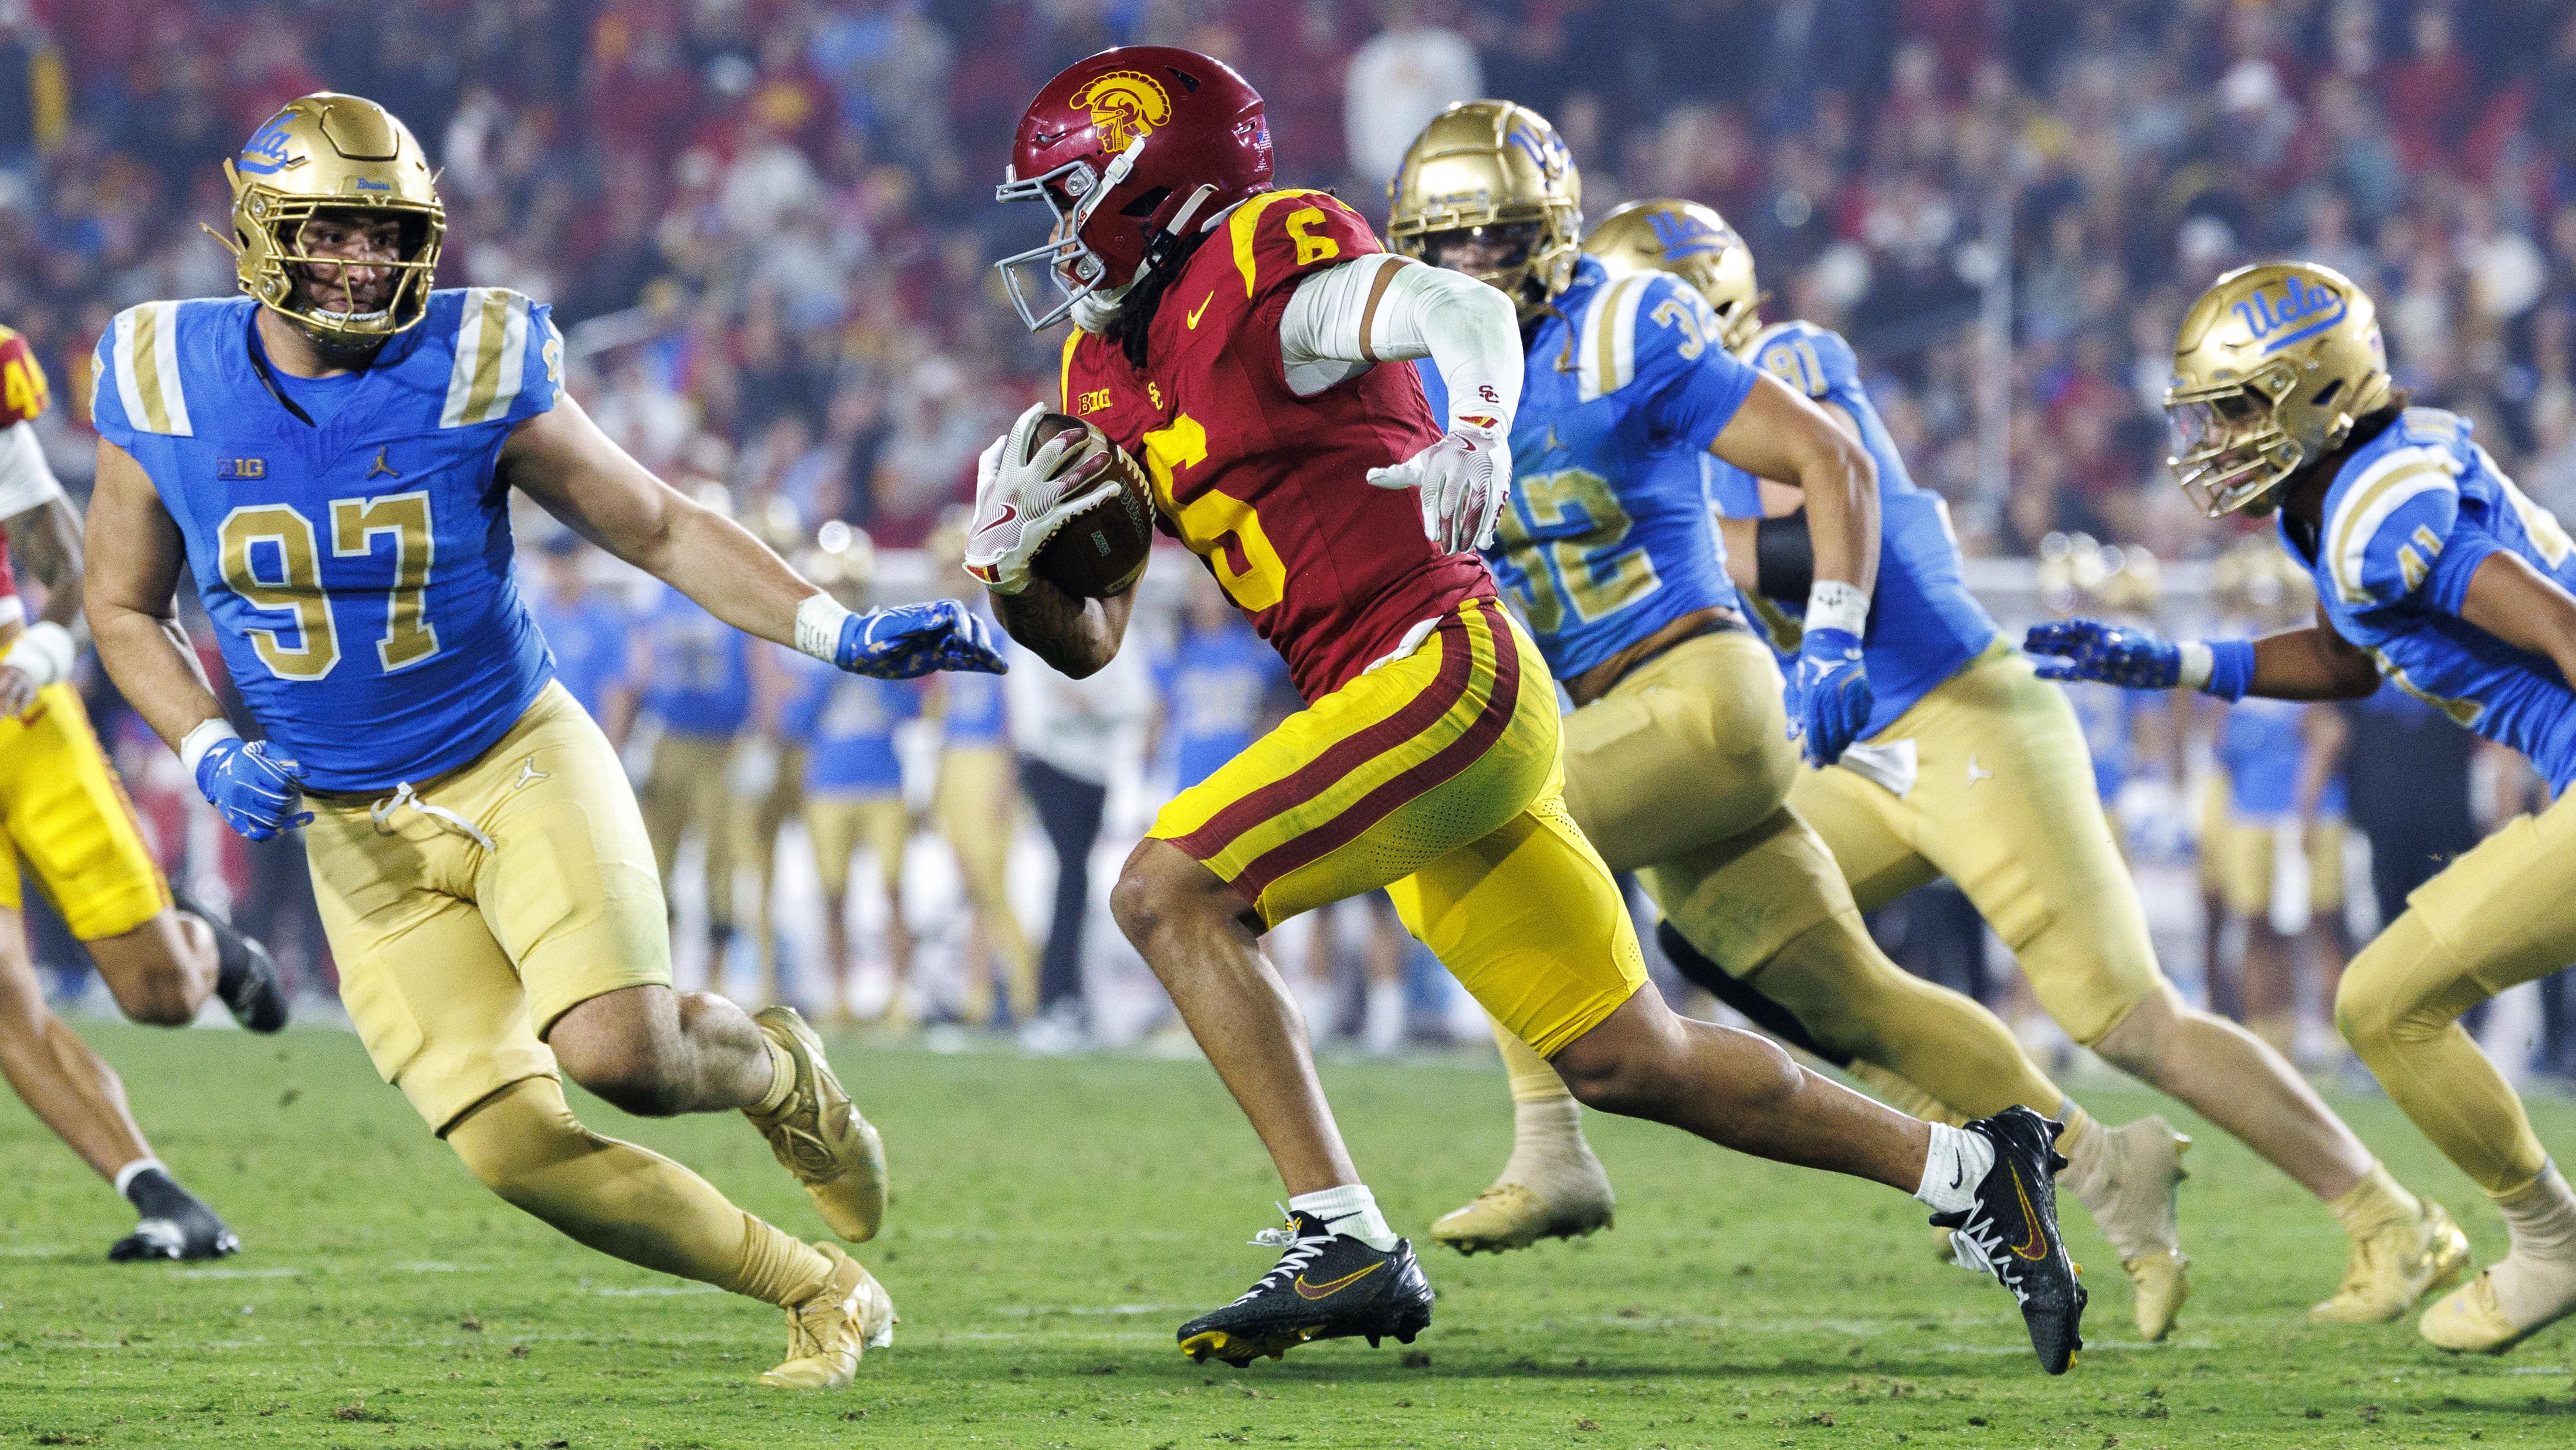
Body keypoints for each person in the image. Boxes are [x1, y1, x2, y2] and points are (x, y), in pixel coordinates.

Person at [977, 53, 2082, 1373]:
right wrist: (1007, 576)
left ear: (1147, 181)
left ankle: (1338, 1233)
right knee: (1630, 1057)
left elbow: (1457, 308)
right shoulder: (1101, 368)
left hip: (1441, 666)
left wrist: (1477, 428)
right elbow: (1089, 643)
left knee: (1165, 889)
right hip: (1385, 711)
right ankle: (1974, 1167)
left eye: (1067, 195)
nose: (1053, 232)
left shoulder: (1266, 260)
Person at [83, 94, 1001, 1388]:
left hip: (511, 757)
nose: (365, 264)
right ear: (258, 234)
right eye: (333, 235)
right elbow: (120, 607)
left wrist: (831, 631)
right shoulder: (162, 374)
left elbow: (660, 524)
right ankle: (815, 1287)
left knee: (621, 1054)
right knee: (508, 1145)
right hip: (350, 829)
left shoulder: (474, 360)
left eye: (388, 236)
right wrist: (200, 742)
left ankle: (775, 1064)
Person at [1507, 209, 2452, 1330]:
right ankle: (2041, 1157)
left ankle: (2392, 1219)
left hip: (1966, 713)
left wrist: (1628, 537)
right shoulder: (1647, 431)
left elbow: (1835, 530)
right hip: (1858, 751)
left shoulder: (1786, 358)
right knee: (1729, 936)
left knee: (2128, 1018)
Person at [1397, 170, 2179, 1335]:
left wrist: (1825, 636)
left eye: (1494, 234)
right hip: (1641, 738)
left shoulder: (1623, 325)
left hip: (1697, 694)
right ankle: (2105, 1168)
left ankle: (1548, 1144)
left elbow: (1832, 461)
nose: (1468, 261)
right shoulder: (1433, 375)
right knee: (1858, 999)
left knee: (1474, 817)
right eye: (1441, 241)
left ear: (1549, 237)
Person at [2029, 259, 2576, 1354]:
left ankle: (2552, 1239)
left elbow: (2561, 629)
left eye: (2236, 407)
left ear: (2315, 392)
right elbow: (2349, 656)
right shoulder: (2340, 495)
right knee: (2383, 1002)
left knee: (2383, 1002)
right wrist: (2177, 661)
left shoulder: (2378, 511)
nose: (2217, 436)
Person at [0, 320, 286, 1262]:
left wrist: (45, 646)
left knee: (159, 992)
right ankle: (161, 1196)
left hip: (18, 713)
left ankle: (211, 946)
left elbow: (66, 565)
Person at [784, 538, 920, 1026]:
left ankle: (901, 993)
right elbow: (795, 720)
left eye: (849, 586)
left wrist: (881, 668)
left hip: (882, 779)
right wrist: (832, 672)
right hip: (829, 782)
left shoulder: (890, 639)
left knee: (893, 889)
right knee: (833, 894)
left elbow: (911, 709)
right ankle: (839, 993)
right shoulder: (812, 647)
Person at [925, 512, 1033, 1027]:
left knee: (989, 879)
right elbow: (941, 714)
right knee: (973, 883)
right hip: (955, 761)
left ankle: (1026, 983)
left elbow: (1013, 707)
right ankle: (981, 995)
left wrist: (1008, 778)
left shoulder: (998, 627)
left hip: (988, 760)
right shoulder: (949, 630)